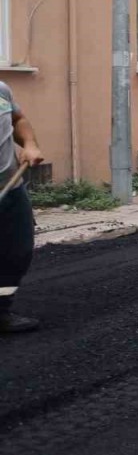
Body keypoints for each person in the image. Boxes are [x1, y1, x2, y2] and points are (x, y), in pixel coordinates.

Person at [0, 81, 43, 333]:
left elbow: (18, 120)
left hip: (11, 187)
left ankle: (1, 311)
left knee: (17, 251)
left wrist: (29, 144)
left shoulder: (2, 90)